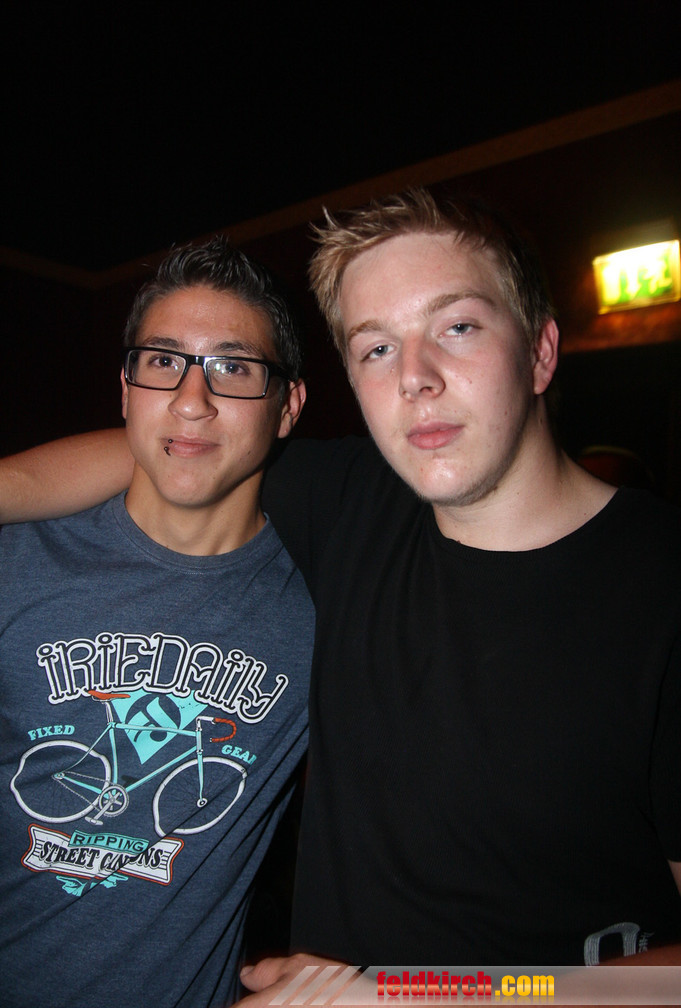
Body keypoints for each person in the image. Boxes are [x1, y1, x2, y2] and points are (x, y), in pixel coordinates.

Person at [2, 191, 680, 993]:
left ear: (538, 349)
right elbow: (186, 439)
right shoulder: (349, 505)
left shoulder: (658, 584)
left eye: (457, 327)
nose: (416, 379)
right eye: (376, 348)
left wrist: (411, 997)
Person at [0, 236, 314, 1008]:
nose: (190, 399)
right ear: (126, 390)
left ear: (287, 407)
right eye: (163, 361)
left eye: (233, 368)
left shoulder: (324, 604)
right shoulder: (17, 563)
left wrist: (368, 972)